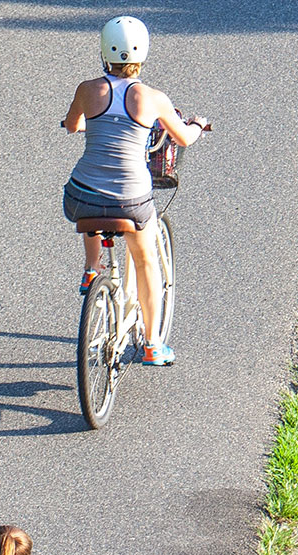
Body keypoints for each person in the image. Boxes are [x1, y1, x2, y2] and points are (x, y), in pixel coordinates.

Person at [61, 16, 207, 367]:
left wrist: (88, 123)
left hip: (81, 195)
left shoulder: (87, 89)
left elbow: (72, 125)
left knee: (91, 204)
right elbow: (183, 137)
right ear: (142, 55)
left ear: (103, 52)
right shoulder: (154, 98)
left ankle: (92, 268)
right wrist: (198, 125)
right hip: (131, 200)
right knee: (146, 261)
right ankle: (154, 344)